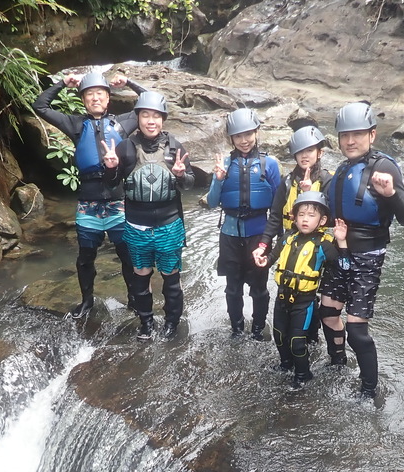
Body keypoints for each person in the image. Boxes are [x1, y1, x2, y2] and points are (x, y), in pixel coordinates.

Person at [33, 70, 147, 318]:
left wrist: (128, 82)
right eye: (90, 94)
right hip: (88, 204)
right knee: (85, 257)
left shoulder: (123, 123)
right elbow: (40, 106)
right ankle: (87, 301)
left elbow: (151, 103)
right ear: (83, 100)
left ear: (108, 98)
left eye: (100, 94)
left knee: (127, 255)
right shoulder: (75, 124)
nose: (95, 98)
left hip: (118, 202)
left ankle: (133, 299)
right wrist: (62, 83)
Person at [321, 101, 404, 400]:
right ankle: (337, 363)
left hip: (367, 258)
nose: (350, 141)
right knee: (327, 313)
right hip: (339, 252)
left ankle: (369, 390)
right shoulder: (342, 168)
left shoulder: (383, 167)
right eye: (345, 135)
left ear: (372, 135)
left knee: (357, 330)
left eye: (358, 134)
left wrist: (391, 194)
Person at [103, 91, 194, 341]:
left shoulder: (175, 147)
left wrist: (180, 175)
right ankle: (146, 322)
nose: (150, 121)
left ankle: (171, 322)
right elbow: (111, 185)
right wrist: (110, 168)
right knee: (141, 277)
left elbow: (189, 184)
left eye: (156, 116)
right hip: (136, 226)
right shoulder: (125, 147)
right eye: (145, 115)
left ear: (163, 119)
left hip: (169, 225)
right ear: (138, 118)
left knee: (171, 278)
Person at [206, 108, 282, 340]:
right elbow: (212, 202)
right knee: (233, 288)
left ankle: (258, 329)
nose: (244, 140)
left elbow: (278, 205)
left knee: (259, 288)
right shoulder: (224, 164)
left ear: (256, 132)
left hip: (259, 236)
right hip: (230, 235)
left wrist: (279, 238)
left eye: (248, 134)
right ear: (231, 138)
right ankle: (237, 329)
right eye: (238, 136)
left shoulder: (269, 164)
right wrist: (218, 180)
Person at [253, 191, 336, 388]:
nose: (305, 219)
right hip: (283, 296)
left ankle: (302, 374)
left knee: (297, 341)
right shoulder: (288, 237)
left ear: (322, 220)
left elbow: (341, 266)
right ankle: (286, 364)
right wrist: (265, 261)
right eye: (301, 215)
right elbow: (273, 255)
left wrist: (342, 242)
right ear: (294, 217)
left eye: (311, 215)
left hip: (304, 301)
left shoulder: (324, 244)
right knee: (279, 335)